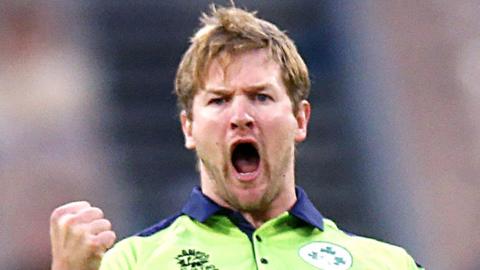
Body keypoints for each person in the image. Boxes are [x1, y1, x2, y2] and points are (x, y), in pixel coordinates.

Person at [50, 5, 424, 270]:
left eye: (261, 97)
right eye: (219, 100)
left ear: (300, 119)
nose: (241, 117)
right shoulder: (132, 263)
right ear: (189, 128)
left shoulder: (386, 264)